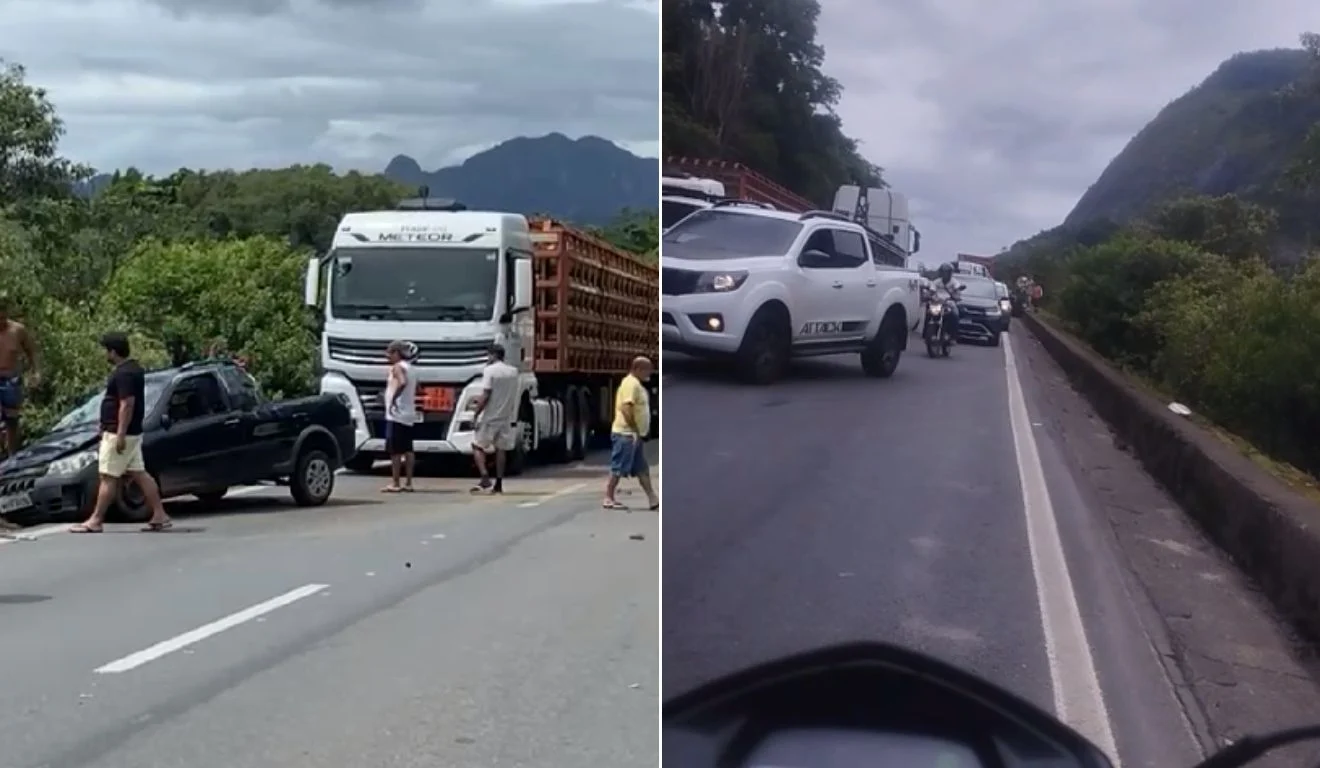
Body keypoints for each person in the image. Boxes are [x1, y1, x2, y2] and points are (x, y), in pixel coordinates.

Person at [70, 332, 171, 533]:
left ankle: (96, 520)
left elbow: (127, 404)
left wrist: (120, 433)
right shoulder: (134, 369)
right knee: (140, 474)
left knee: (108, 476)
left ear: (113, 351)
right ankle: (160, 514)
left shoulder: (123, 373)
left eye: (106, 351)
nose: (105, 355)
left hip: (120, 433)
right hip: (130, 433)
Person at [603, 356, 658, 511]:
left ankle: (653, 499)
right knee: (618, 467)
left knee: (641, 469)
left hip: (634, 435)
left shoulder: (636, 384)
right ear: (638, 369)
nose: (649, 373)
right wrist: (634, 428)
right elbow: (626, 408)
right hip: (625, 434)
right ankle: (609, 497)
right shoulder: (630, 384)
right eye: (647, 370)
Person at [470, 343, 520, 494]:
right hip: (506, 417)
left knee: (477, 446)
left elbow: (486, 395)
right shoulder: (513, 371)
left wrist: (476, 413)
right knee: (501, 450)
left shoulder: (489, 371)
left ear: (492, 355)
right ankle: (499, 483)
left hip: (491, 417)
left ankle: (485, 477)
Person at [0, 301, 41, 456]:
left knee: (12, 420)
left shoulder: (17, 330)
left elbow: (32, 351)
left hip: (11, 379)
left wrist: (36, 372)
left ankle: (12, 456)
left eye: (3, 317)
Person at [382, 340, 419, 493]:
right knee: (408, 449)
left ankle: (395, 483)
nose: (388, 357)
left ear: (397, 353)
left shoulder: (397, 367)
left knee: (395, 450)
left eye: (390, 353)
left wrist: (393, 399)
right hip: (409, 413)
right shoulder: (411, 368)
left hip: (397, 413)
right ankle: (409, 482)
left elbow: (402, 383)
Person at [929, 262, 965, 335]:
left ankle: (952, 336)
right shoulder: (936, 282)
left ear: (950, 273)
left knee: (955, 315)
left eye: (947, 272)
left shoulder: (954, 282)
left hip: (949, 303)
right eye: (944, 272)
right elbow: (932, 290)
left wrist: (957, 291)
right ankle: (927, 334)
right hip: (937, 302)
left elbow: (957, 287)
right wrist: (928, 295)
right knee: (929, 313)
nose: (945, 274)